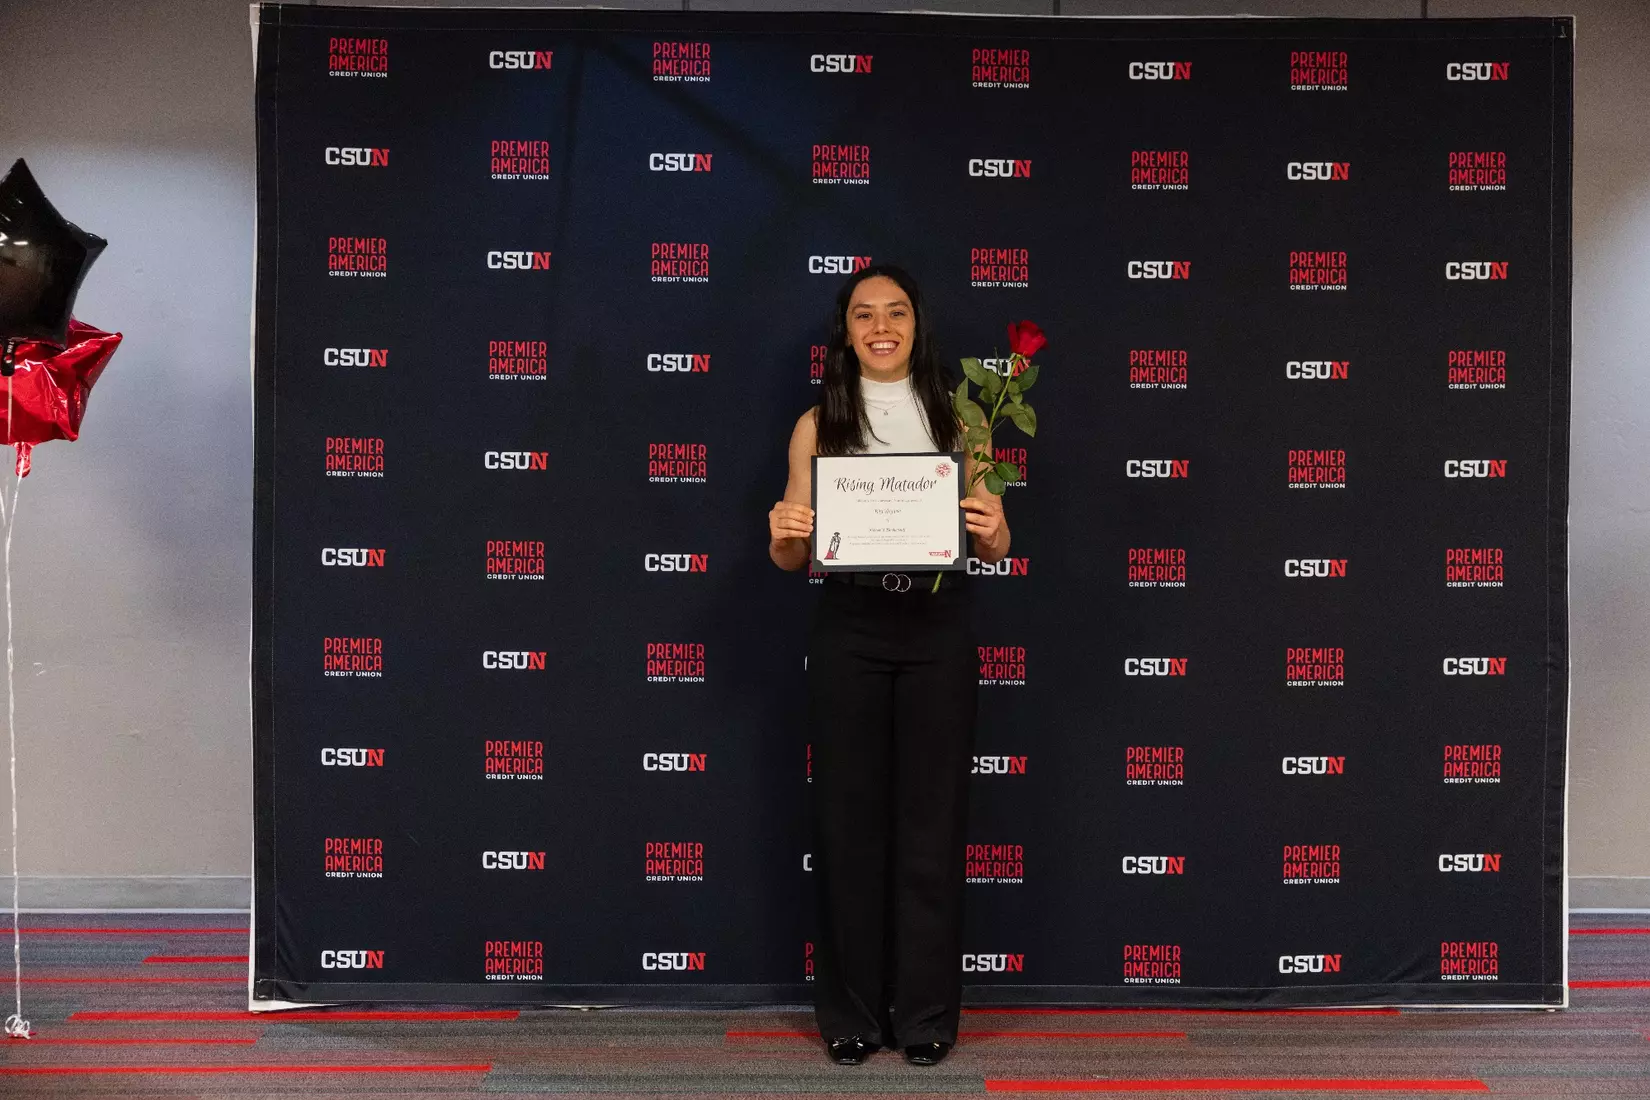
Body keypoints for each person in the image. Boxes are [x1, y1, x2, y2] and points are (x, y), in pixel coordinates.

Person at [767, 264, 1011, 1066]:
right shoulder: (818, 423)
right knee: (848, 823)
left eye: (896, 312)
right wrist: (784, 532)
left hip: (937, 625)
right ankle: (852, 1015)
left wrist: (991, 528)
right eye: (864, 314)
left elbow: (997, 540)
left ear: (916, 325)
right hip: (852, 625)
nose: (881, 327)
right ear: (845, 333)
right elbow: (790, 554)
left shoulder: (962, 417)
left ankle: (927, 1016)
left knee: (932, 823)